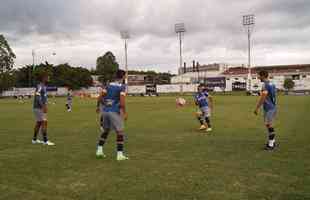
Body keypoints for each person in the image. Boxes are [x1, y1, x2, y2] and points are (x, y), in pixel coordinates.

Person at [96, 69, 129, 161]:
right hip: (114, 112)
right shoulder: (121, 87)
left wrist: (99, 107)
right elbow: (122, 102)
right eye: (125, 75)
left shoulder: (108, 85)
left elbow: (99, 97)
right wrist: (125, 113)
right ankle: (120, 155)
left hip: (105, 112)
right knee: (120, 132)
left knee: (106, 131)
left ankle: (99, 150)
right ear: (123, 76)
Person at [254, 70, 277, 150]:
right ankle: (272, 141)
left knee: (270, 125)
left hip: (269, 108)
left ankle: (271, 145)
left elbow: (263, 97)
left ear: (263, 76)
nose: (258, 77)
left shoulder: (265, 85)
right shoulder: (272, 84)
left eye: (259, 76)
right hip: (272, 107)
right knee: (268, 125)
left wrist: (257, 108)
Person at [32, 73, 55, 146]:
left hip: (38, 107)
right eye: (47, 77)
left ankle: (34, 139)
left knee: (39, 123)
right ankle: (45, 141)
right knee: (44, 122)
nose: (49, 78)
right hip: (39, 108)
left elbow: (43, 97)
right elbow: (37, 96)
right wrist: (43, 106)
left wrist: (47, 102)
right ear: (43, 78)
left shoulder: (44, 86)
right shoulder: (40, 86)